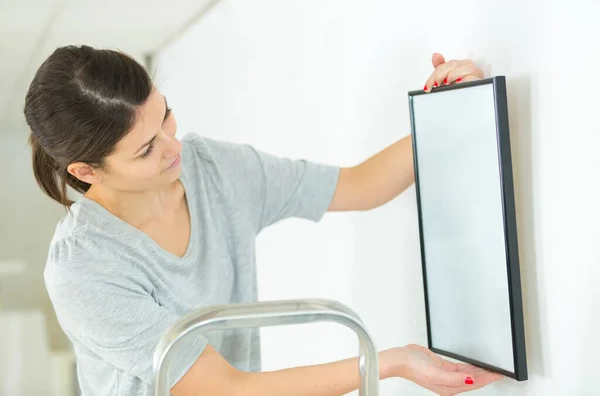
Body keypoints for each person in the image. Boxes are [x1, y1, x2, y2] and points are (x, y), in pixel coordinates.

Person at [24, 45, 500, 396]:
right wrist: (389, 363)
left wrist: (448, 108)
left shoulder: (214, 170)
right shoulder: (83, 270)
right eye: (147, 149)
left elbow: (360, 185)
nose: (174, 147)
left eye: (165, 117)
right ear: (86, 172)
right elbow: (225, 388)